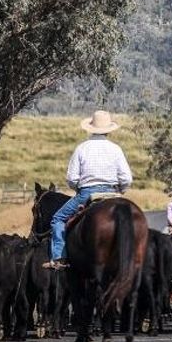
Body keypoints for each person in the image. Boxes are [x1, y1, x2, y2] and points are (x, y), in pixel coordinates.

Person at [43, 110, 133, 270]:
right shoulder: (116, 149)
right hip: (113, 193)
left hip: (87, 193)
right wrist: (120, 190)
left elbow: (71, 179)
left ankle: (59, 258)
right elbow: (126, 178)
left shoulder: (81, 148)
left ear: (91, 128)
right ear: (108, 130)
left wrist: (78, 189)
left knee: (58, 219)